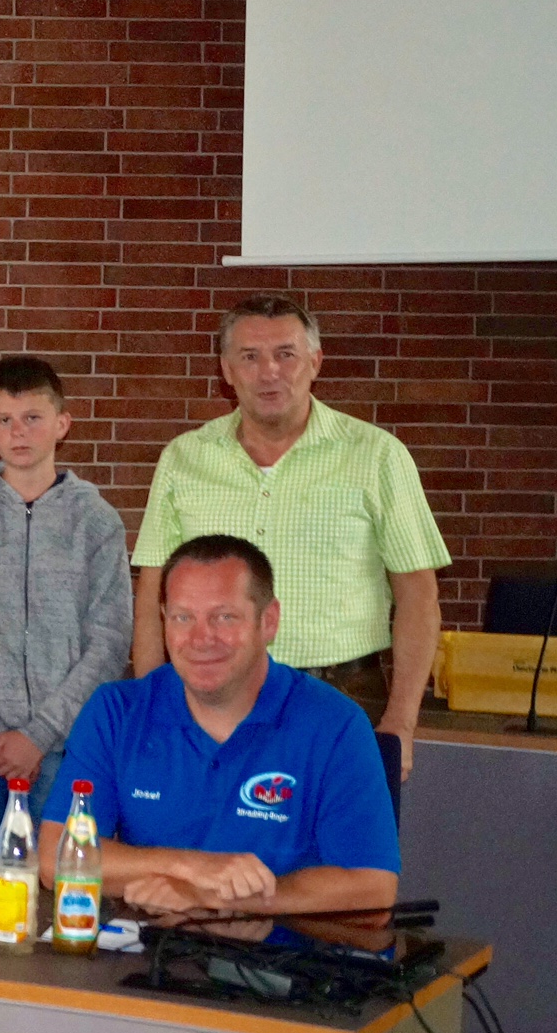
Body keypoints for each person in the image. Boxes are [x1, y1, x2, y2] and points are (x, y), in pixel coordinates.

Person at [131, 295, 447, 780]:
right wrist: (150, 705)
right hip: (209, 693)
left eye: (286, 354)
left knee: (343, 853)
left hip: (345, 694)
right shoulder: (183, 459)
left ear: (315, 362)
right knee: (205, 850)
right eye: (250, 357)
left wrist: (401, 721)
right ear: (226, 370)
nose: (269, 372)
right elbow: (153, 590)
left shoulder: (378, 457)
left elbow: (418, 596)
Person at [41, 535, 399, 917]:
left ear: (269, 621)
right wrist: (194, 869)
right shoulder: (117, 711)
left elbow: (373, 887)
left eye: (224, 617)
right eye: (183, 617)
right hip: (146, 961)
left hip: (288, 963)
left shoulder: (335, 725)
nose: (201, 638)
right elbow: (54, 859)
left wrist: (216, 899)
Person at [0, 356, 134, 846]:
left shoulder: (96, 521)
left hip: (68, 743)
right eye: (4, 420)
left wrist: (40, 733)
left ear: (62, 423)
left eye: (33, 418)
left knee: (63, 879)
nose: (19, 432)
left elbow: (111, 641)